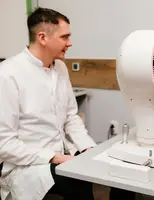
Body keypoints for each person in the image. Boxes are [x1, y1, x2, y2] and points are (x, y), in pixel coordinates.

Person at [0, 7, 97, 200]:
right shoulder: (8, 74)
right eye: (64, 37)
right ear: (42, 37)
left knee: (90, 174)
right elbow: (5, 143)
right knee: (76, 183)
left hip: (60, 156)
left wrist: (88, 148)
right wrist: (53, 157)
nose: (70, 43)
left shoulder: (60, 67)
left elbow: (70, 117)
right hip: (26, 165)